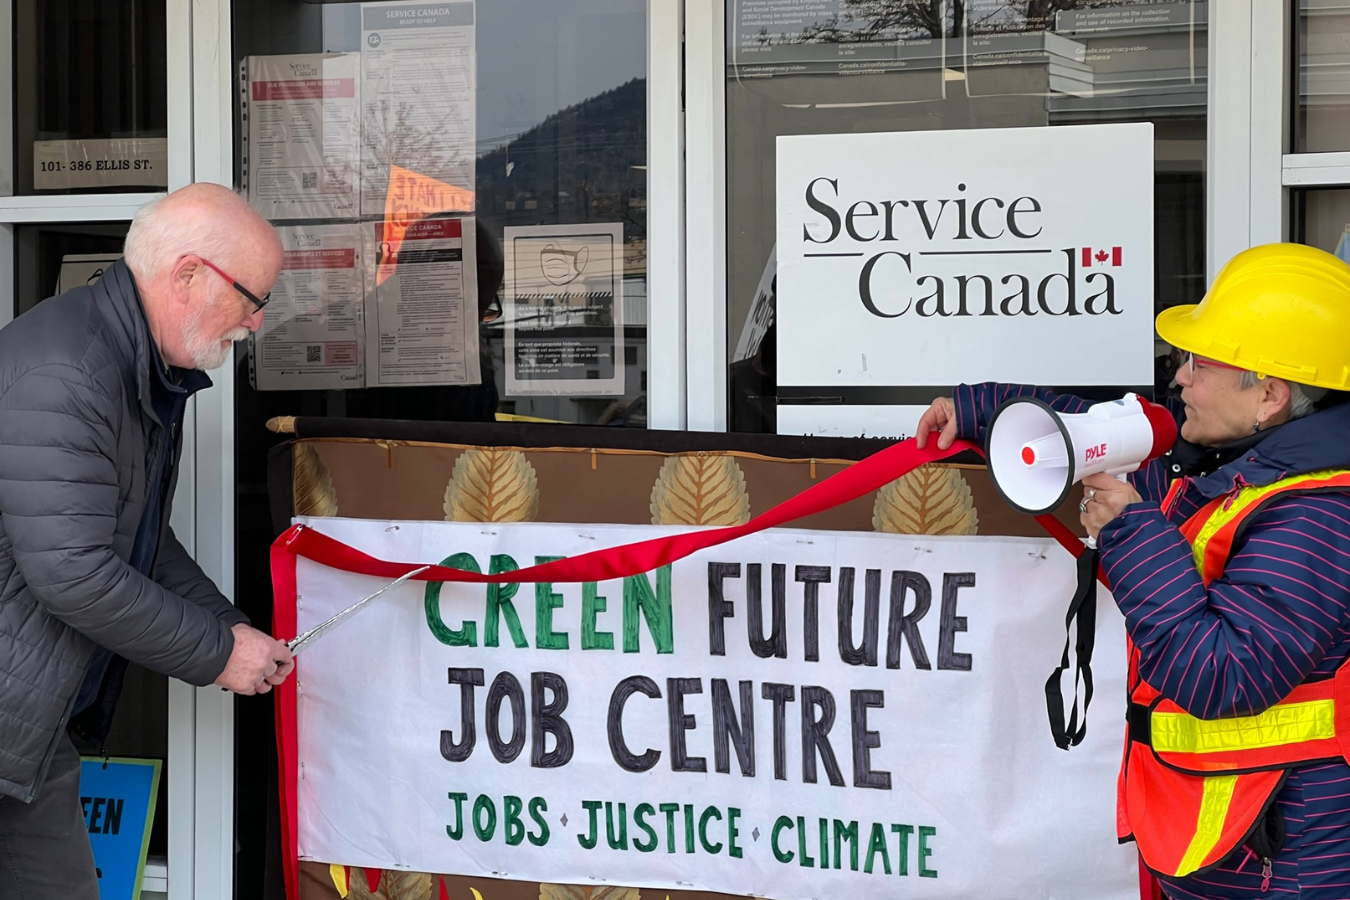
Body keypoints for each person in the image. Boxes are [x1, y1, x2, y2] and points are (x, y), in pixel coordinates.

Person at [915, 242, 1350, 899]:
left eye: (1201, 364)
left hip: (1281, 858)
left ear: (1268, 395)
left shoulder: (1319, 517)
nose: (1180, 381)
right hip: (1226, 836)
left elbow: (1221, 673)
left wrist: (1126, 531)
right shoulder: (1229, 468)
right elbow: (1102, 432)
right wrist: (983, 410)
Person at [0, 183, 296, 898]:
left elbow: (136, 535)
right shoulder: (70, 372)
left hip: (28, 732)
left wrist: (224, 622)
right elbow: (73, 572)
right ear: (189, 274)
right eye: (252, 299)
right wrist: (220, 653)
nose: (255, 324)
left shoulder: (132, 363)